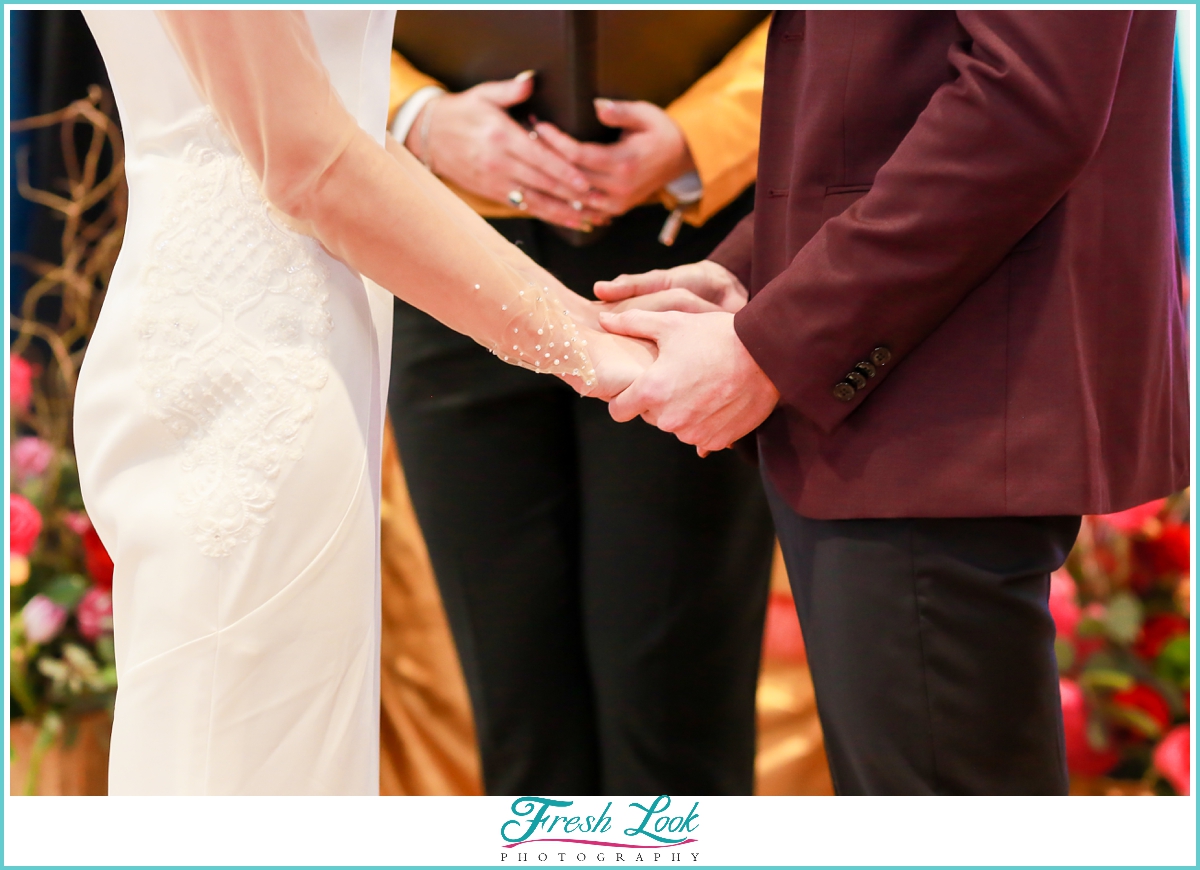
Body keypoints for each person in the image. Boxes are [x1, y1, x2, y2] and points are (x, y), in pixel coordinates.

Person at [598, 10, 1190, 794]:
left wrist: (781, 337)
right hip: (906, 378)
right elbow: (889, 90)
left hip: (943, 394)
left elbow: (1029, 98)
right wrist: (756, 271)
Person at [73, 10, 651, 795]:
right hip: (245, 367)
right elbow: (311, 164)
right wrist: (585, 352)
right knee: (238, 766)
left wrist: (591, 325)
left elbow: (346, 140)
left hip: (308, 344)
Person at [386, 16, 776, 795]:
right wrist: (415, 115)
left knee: (675, 702)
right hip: (447, 255)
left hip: (687, 264)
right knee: (517, 699)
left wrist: (698, 137)